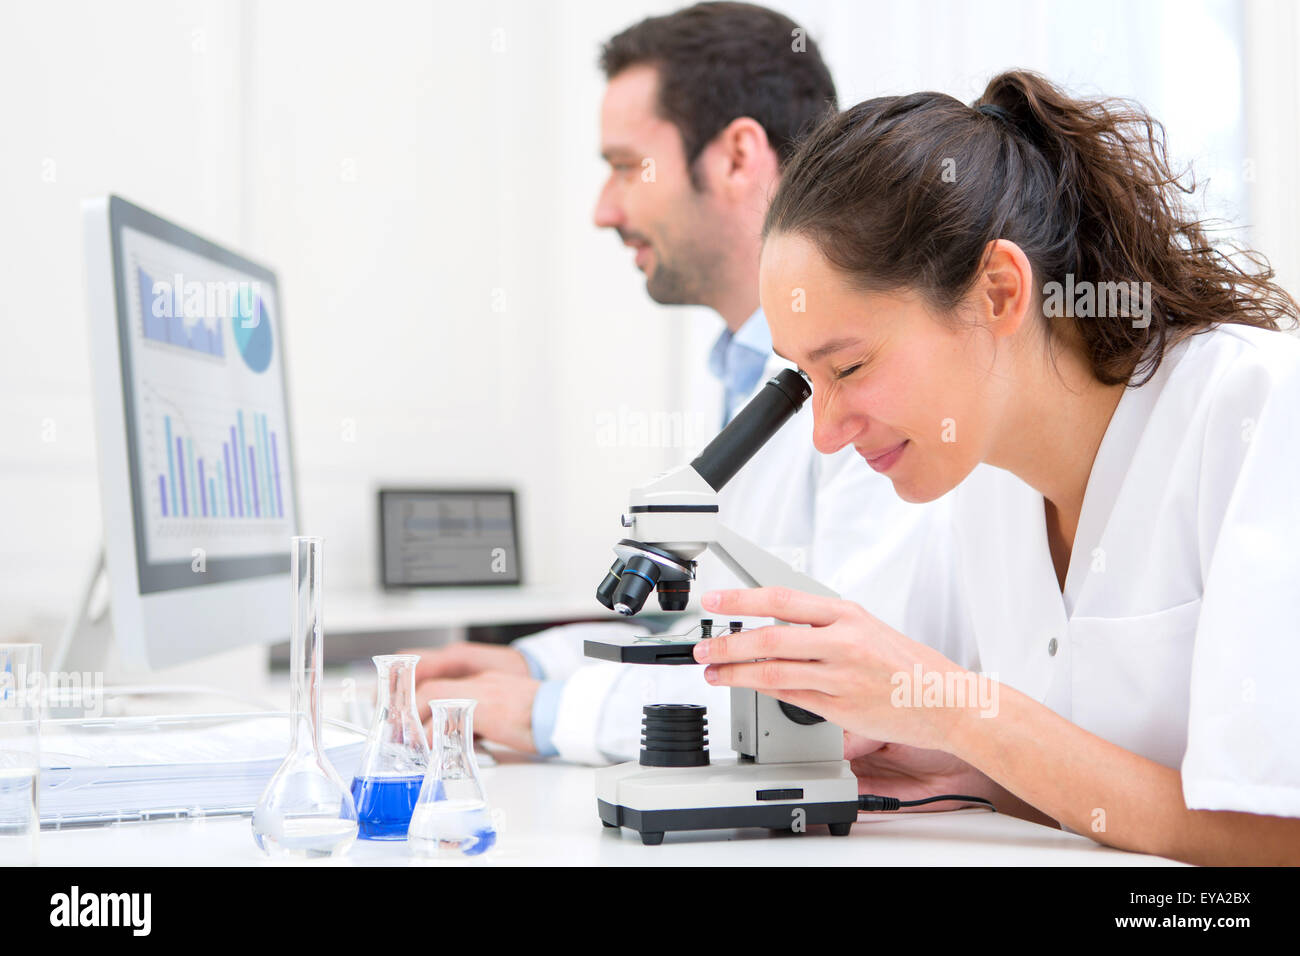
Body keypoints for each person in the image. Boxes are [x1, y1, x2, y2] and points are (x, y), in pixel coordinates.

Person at [691, 69, 1300, 864]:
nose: (827, 434)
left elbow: (1274, 835)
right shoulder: (982, 479)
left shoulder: (1257, 410)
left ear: (999, 291)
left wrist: (953, 707)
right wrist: (973, 772)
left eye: (850, 367)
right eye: (809, 382)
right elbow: (1113, 781)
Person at [408, 3, 940, 765]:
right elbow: (715, 630)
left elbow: (839, 684)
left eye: (626, 167)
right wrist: (535, 665)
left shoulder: (880, 388)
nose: (603, 210)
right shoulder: (740, 366)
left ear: (734, 157)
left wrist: (553, 712)